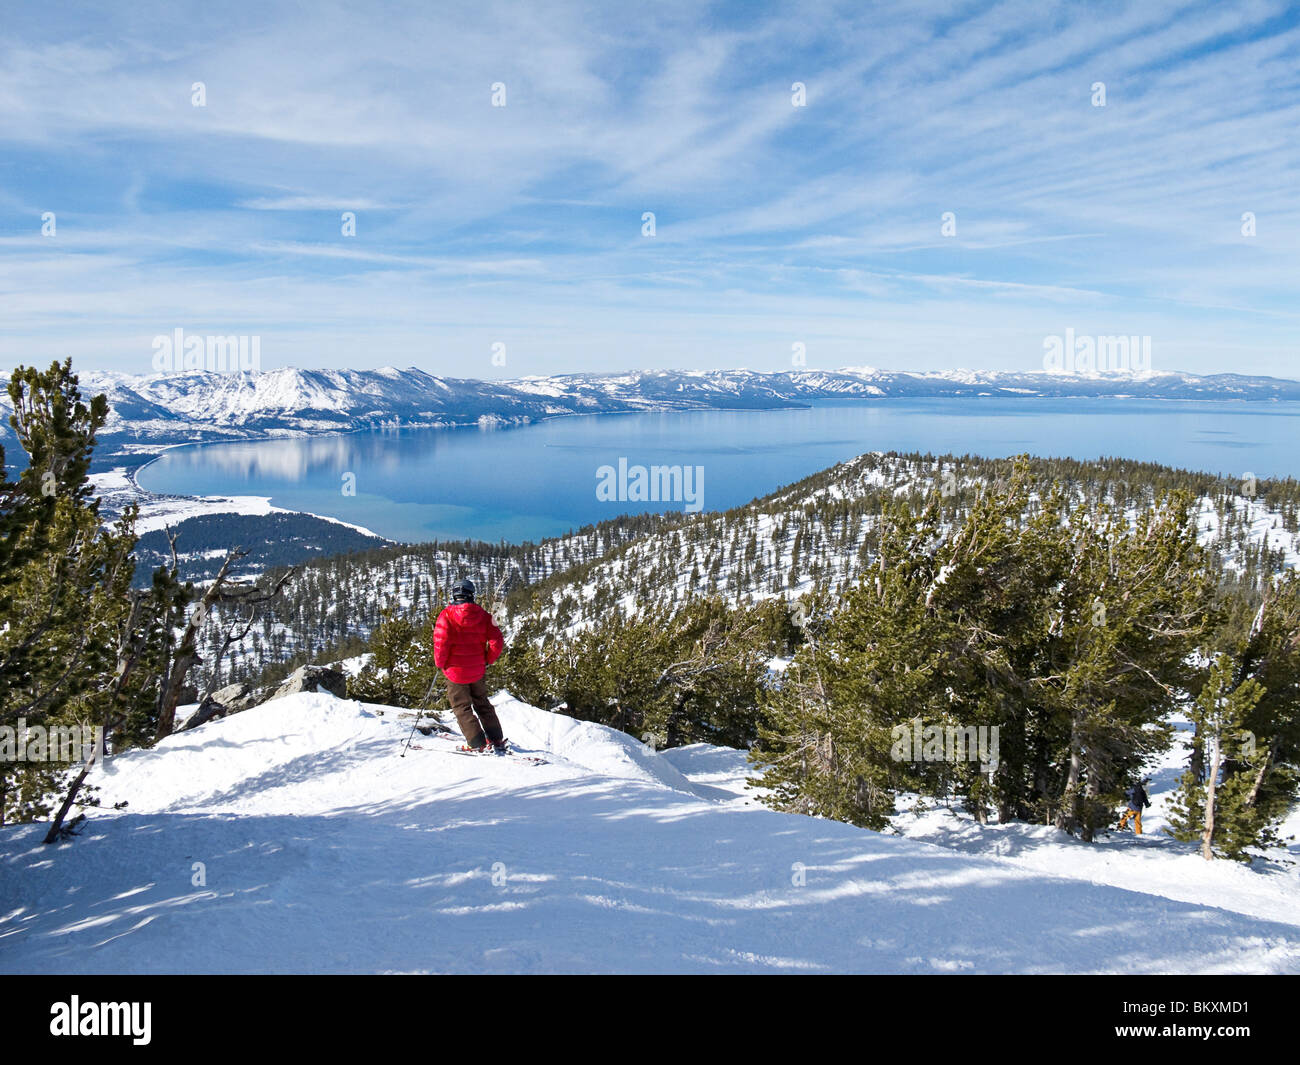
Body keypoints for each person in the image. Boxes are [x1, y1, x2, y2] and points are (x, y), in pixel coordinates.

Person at [433, 579, 507, 753]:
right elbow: (497, 640)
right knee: (483, 703)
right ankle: (496, 738)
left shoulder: (446, 615)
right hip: (477, 670)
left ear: (454, 595)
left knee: (461, 707)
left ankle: (476, 743)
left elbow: (440, 643)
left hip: (455, 672)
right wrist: (488, 659)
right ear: (472, 594)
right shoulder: (484, 615)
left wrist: (441, 664)